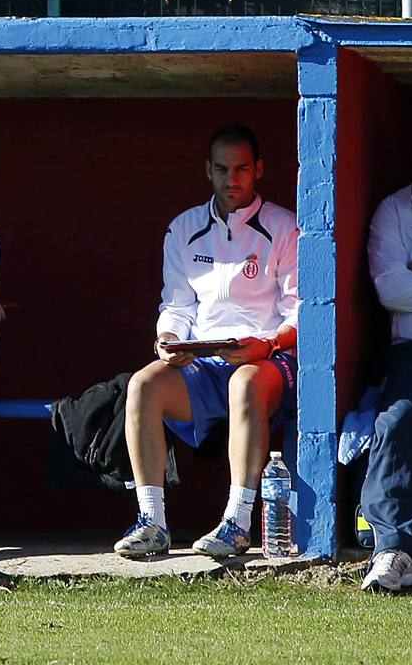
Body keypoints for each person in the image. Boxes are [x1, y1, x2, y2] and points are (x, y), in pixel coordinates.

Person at [114, 124, 299, 559]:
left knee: (244, 383)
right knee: (142, 385)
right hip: (204, 359)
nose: (231, 179)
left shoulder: (283, 226)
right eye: (221, 169)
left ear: (259, 170)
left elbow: (302, 310)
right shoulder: (183, 229)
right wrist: (169, 338)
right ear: (207, 171)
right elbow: (176, 303)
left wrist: (267, 344)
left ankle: (236, 523)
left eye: (241, 169)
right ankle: (152, 523)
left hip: (268, 360)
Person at [358, 115, 412, 592]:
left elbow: (410, 283)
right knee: (397, 423)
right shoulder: (395, 211)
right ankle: (394, 551)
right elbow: (391, 289)